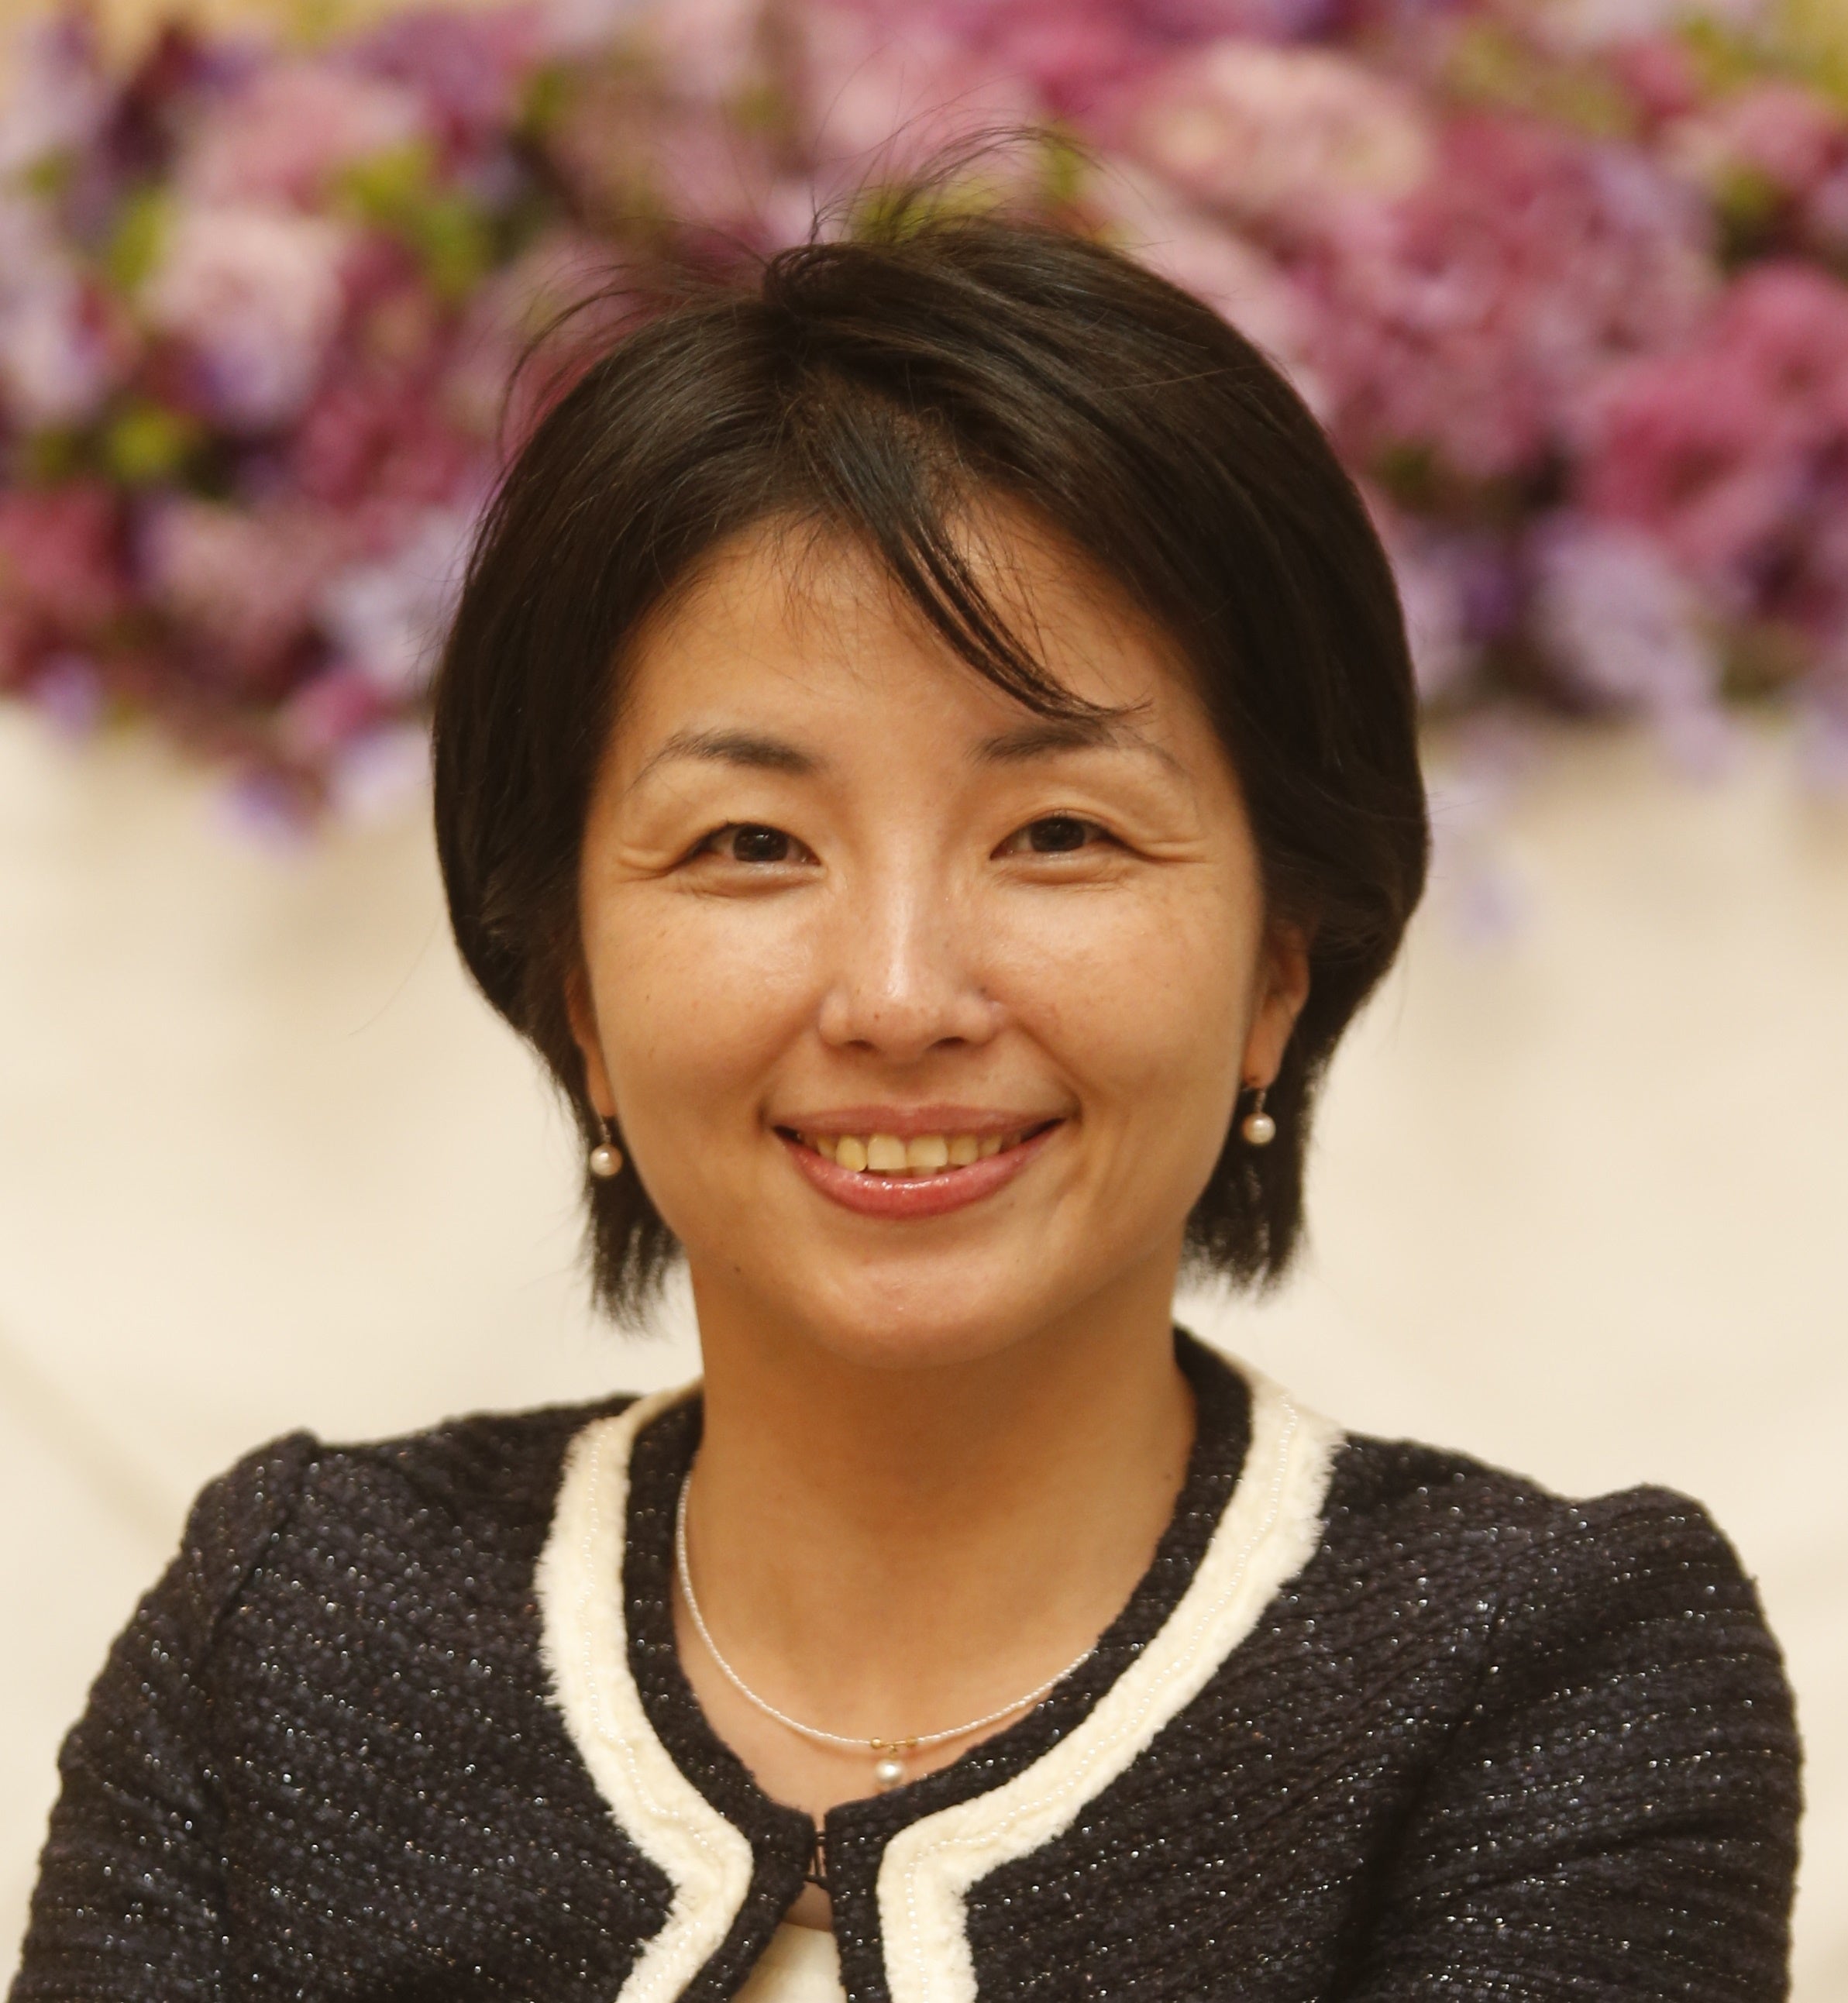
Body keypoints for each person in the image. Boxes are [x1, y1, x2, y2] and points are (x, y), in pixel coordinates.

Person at [12, 198, 1799, 2003]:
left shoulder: (1546, 1677)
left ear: (1279, 963)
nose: (895, 999)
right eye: (749, 844)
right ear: (574, 985)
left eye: (1058, 834)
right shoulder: (293, 1630)